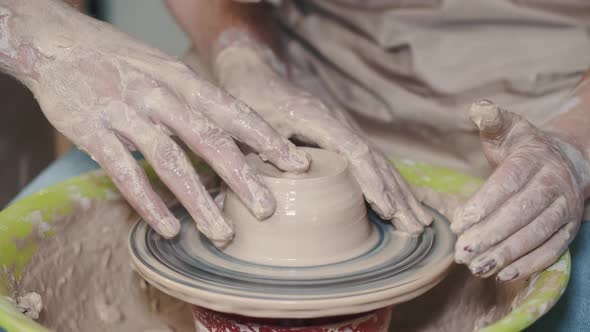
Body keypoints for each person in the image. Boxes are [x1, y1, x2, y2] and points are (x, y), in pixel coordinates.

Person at [2, 0, 589, 329]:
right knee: (72, 199)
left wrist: (576, 144)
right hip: (294, 63)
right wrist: (238, 50)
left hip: (545, 98)